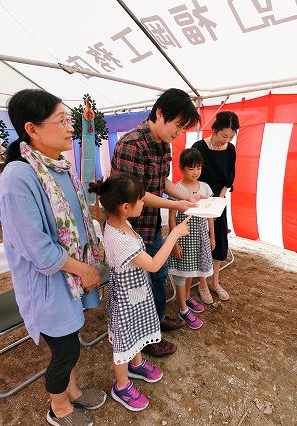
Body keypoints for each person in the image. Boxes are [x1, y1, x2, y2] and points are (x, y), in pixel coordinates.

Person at [0, 89, 106, 426]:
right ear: (32, 128)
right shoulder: (17, 179)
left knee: (71, 340)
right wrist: (85, 270)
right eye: (61, 120)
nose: (70, 128)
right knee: (65, 349)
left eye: (69, 120)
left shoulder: (58, 167)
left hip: (68, 277)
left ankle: (71, 391)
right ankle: (57, 407)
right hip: (48, 283)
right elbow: (38, 250)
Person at [111, 88, 203, 357]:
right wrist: (178, 204)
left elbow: (162, 182)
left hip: (150, 226)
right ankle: (146, 339)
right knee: (139, 286)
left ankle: (157, 320)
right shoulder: (132, 144)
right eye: (178, 125)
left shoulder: (164, 143)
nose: (179, 132)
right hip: (130, 231)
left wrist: (187, 196)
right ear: (160, 113)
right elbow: (136, 195)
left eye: (184, 128)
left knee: (159, 274)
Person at [88, 173, 190, 411]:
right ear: (125, 207)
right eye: (141, 199)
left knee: (137, 332)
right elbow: (154, 265)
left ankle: (137, 364)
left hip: (135, 292)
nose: (145, 203)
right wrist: (173, 234)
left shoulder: (120, 222)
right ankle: (121, 386)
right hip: (126, 298)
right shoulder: (119, 237)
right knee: (124, 342)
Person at [191, 111, 238, 303]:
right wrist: (205, 203)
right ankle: (202, 284)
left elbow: (229, 178)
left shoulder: (231, 149)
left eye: (230, 137)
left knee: (218, 243)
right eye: (223, 136)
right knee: (203, 243)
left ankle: (215, 282)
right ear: (215, 130)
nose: (226, 140)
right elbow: (192, 177)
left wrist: (218, 203)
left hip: (218, 201)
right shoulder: (199, 147)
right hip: (200, 201)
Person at [168, 148, 215, 329]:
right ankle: (182, 309)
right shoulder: (176, 189)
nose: (195, 172)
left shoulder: (205, 188)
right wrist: (175, 243)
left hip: (200, 238)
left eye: (198, 168)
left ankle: (187, 298)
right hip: (184, 239)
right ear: (181, 168)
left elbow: (210, 213)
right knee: (182, 274)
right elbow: (172, 218)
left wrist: (212, 236)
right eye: (191, 168)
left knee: (192, 272)